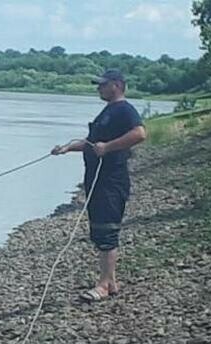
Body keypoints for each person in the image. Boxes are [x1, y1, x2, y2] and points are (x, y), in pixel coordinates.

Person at [51, 68, 147, 302]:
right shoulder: (108, 111)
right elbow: (92, 144)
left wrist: (109, 147)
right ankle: (111, 282)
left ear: (116, 85)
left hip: (111, 181)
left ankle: (103, 285)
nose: (98, 89)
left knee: (107, 230)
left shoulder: (125, 109)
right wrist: (67, 148)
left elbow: (140, 134)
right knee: (100, 229)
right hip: (97, 180)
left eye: (102, 85)